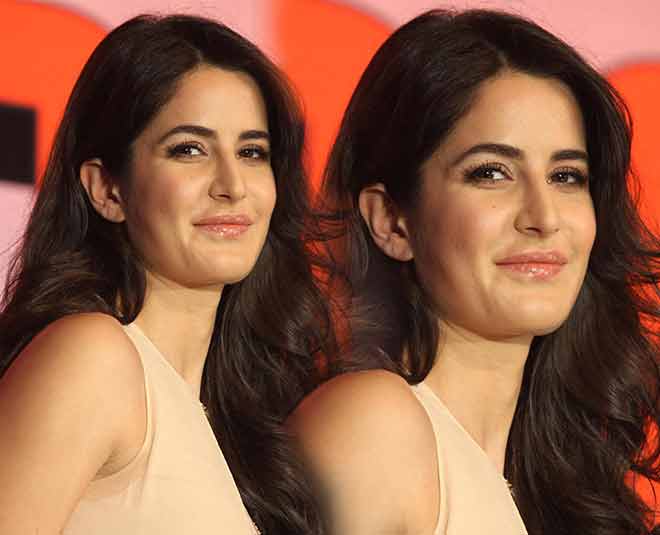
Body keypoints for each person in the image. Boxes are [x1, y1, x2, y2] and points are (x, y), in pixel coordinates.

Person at [288, 9, 660, 535]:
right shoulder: (373, 425)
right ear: (392, 220)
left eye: (566, 176)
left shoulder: (569, 482)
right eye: (491, 173)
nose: (544, 217)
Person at [0, 14, 333, 535]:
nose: (232, 185)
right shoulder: (92, 356)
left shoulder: (246, 415)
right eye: (188, 150)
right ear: (108, 190)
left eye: (252, 152)